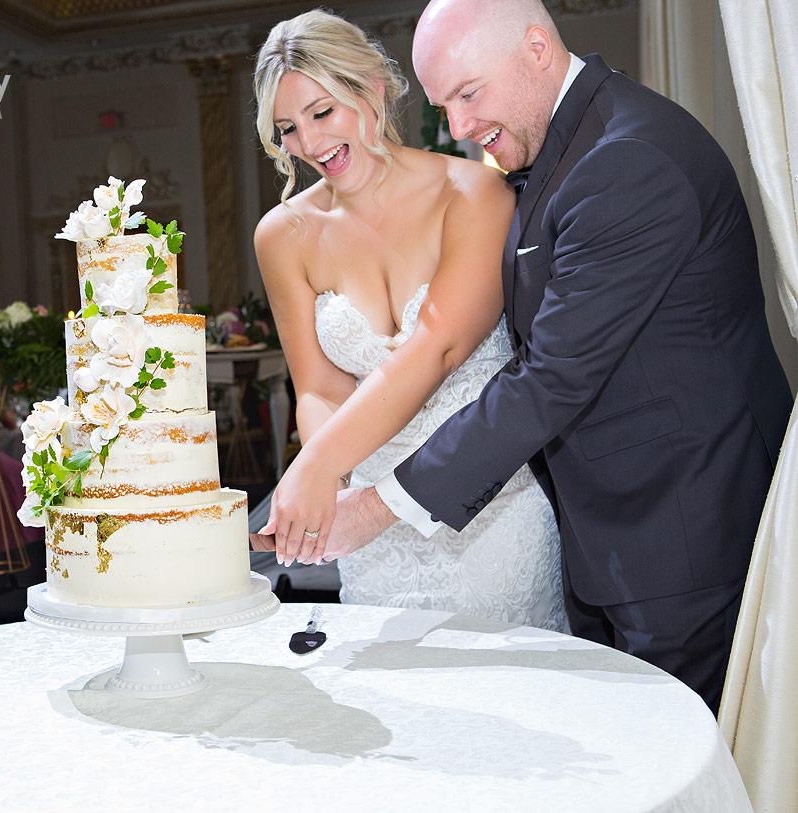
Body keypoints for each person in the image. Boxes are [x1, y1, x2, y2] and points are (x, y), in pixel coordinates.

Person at [271, 0, 794, 711]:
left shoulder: (623, 159)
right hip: (604, 530)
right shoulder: (562, 146)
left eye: (468, 94)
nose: (457, 127)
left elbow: (547, 378)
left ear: (539, 49)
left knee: (675, 756)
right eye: (443, 104)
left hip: (681, 530)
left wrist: (376, 503)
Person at [250, 10, 566, 631]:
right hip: (368, 531)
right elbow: (315, 386)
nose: (309, 145)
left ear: (372, 87)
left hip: (489, 510)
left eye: (322, 113)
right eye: (287, 128)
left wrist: (312, 468)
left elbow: (440, 347)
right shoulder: (282, 236)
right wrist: (335, 476)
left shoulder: (475, 193)